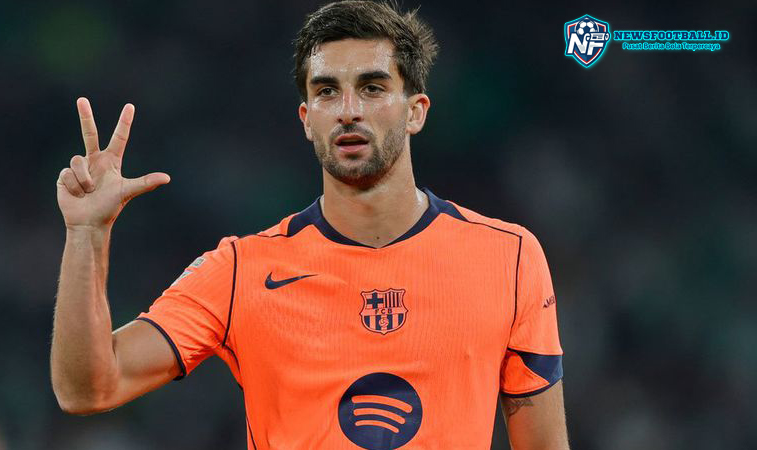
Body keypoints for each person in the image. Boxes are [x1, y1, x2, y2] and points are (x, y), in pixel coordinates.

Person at [50, 1, 569, 448]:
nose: (348, 111)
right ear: (306, 119)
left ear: (416, 112)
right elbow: (87, 389)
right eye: (326, 91)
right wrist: (85, 235)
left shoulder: (509, 257)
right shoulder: (241, 271)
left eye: (372, 88)